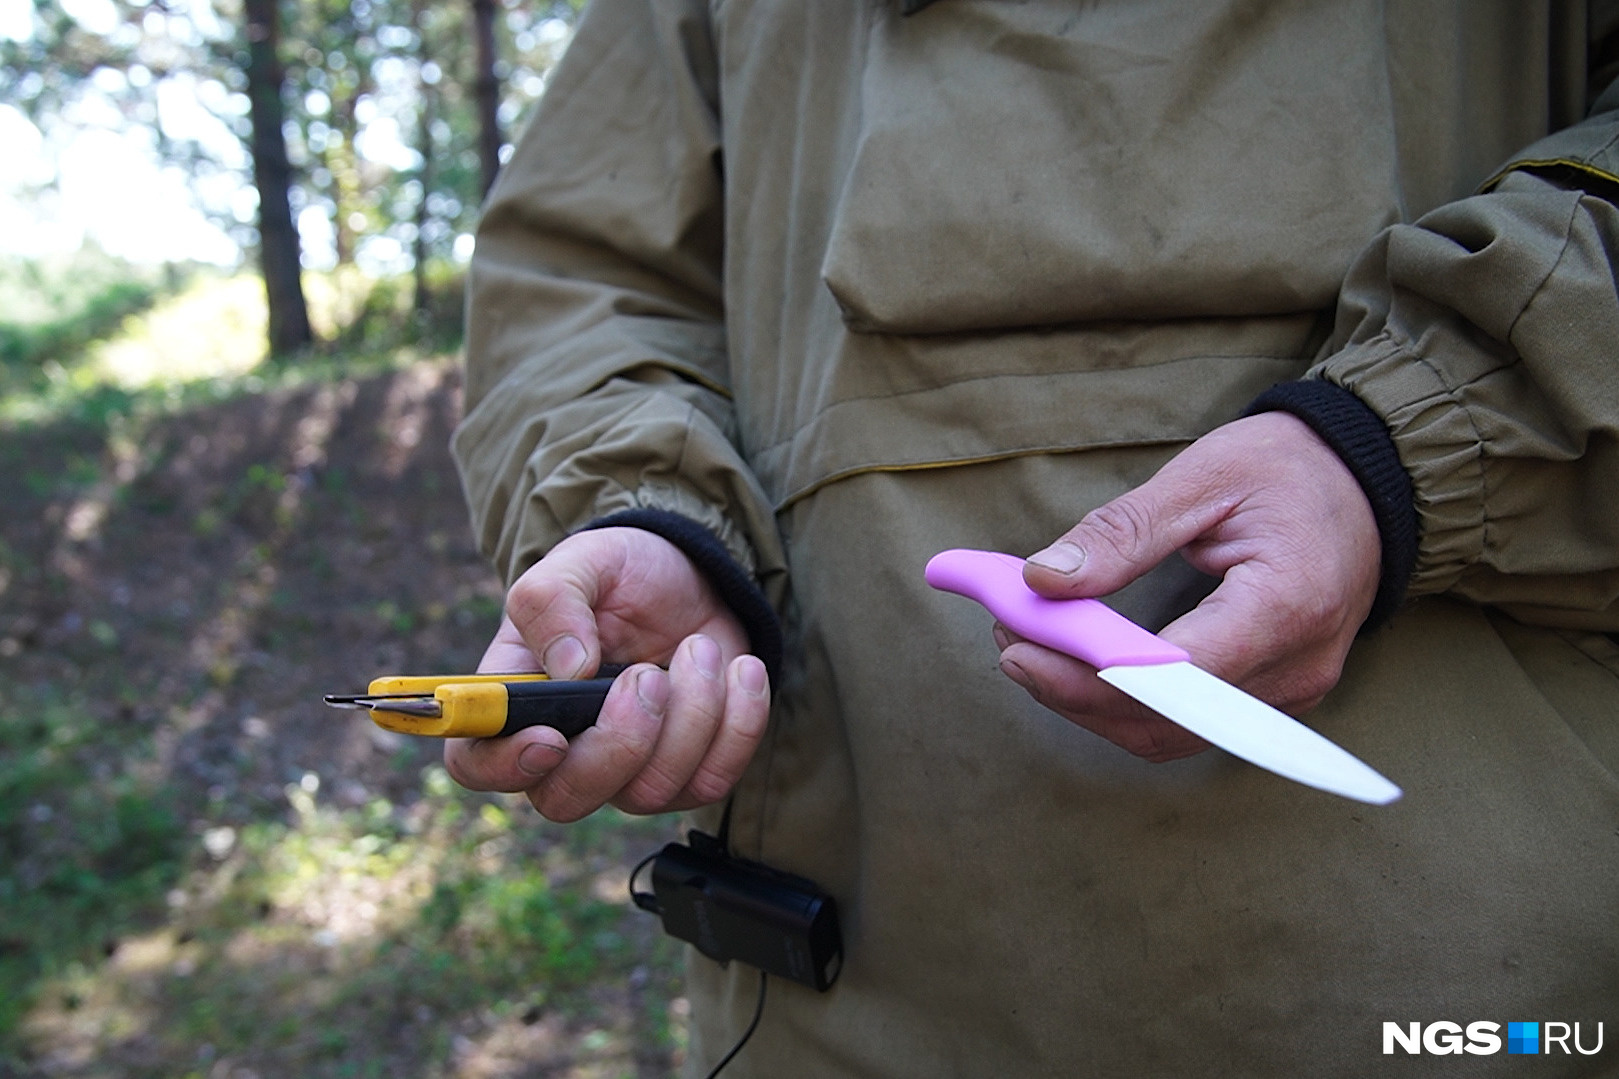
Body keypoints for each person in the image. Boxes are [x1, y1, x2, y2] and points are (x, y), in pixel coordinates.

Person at [445, 2, 1619, 1075]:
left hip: (1454, 975)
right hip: (831, 981)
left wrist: (1402, 445)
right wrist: (652, 516)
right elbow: (579, 276)